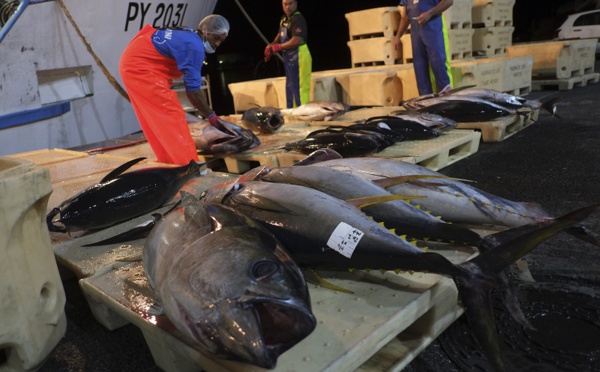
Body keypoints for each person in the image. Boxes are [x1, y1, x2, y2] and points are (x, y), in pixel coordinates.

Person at [119, 15, 229, 165]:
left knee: (158, 120)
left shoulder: (189, 35)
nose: (217, 44)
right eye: (216, 38)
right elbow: (194, 92)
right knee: (172, 115)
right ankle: (187, 167)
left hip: (134, 63)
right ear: (205, 31)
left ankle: (170, 163)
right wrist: (212, 117)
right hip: (141, 67)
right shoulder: (195, 47)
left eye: (221, 41)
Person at [394, 0, 454, 96]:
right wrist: (398, 36)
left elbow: (449, 1)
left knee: (439, 64)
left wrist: (430, 13)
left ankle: (448, 97)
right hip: (416, 34)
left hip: (434, 29)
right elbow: (405, 17)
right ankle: (426, 99)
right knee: (420, 68)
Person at [264, 0, 312, 108]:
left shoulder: (298, 19)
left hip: (299, 55)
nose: (287, 7)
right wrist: (271, 45)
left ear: (296, 3)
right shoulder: (284, 18)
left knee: (300, 87)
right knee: (291, 86)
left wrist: (279, 47)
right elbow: (280, 33)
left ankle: (303, 112)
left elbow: (297, 40)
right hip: (289, 57)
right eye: (285, 4)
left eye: (290, 4)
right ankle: (293, 111)